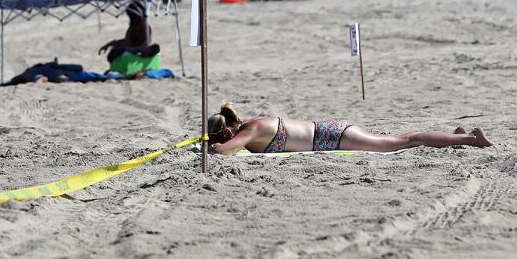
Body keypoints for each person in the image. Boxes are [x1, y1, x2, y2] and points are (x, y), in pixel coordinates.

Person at [207, 103, 492, 155]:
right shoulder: (249, 126)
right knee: (400, 140)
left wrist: (213, 146)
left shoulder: (250, 130)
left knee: (404, 141)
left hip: (332, 137)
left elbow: (224, 151)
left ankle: (470, 138)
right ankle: (456, 135)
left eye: (224, 134)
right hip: (330, 133)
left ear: (229, 130)